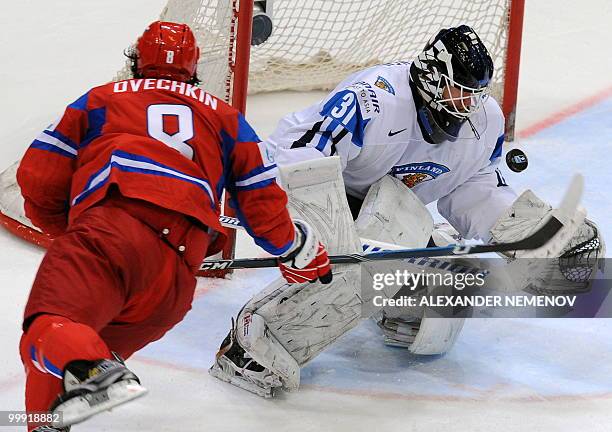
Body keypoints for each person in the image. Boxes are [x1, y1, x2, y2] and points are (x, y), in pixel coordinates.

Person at [210, 25, 604, 396]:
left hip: (385, 204)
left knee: (445, 290)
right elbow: (301, 156)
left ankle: (386, 306)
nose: (468, 105)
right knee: (359, 262)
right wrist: (313, 230)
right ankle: (256, 343)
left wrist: (527, 231)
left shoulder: (485, 121)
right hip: (311, 185)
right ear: (431, 78)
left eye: (475, 95)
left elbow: (471, 188)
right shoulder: (374, 98)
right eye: (458, 91)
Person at [17, 21, 332, 432]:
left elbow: (39, 179)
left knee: (48, 330)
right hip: (175, 281)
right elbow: (261, 201)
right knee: (64, 361)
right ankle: (49, 419)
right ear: (196, 69)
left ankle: (102, 375)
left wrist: (72, 233)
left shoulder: (100, 99)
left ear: (135, 61)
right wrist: (296, 248)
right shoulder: (225, 116)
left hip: (113, 230)